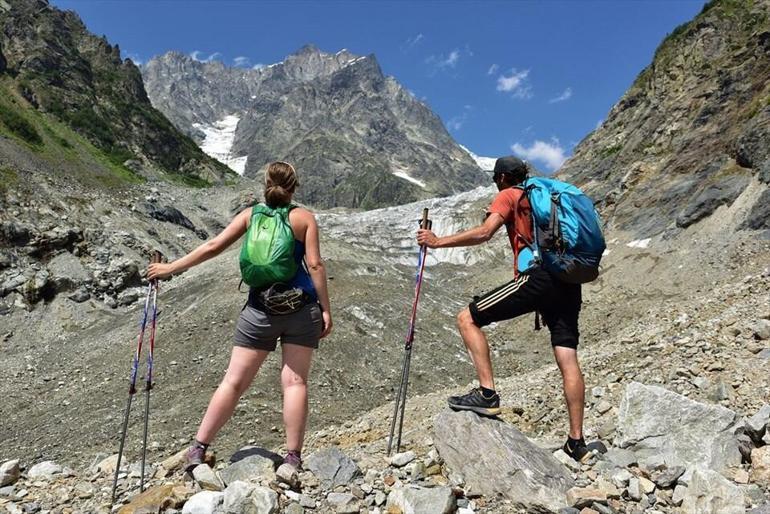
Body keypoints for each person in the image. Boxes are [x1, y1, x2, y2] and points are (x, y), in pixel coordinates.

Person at [147, 161, 333, 473]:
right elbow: (315, 265)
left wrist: (169, 269)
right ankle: (292, 458)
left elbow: (212, 246)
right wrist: (326, 308)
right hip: (301, 309)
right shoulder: (304, 218)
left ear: (265, 184)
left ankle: (198, 447)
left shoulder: (250, 215)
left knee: (233, 381)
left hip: (259, 309)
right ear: (294, 187)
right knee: (295, 382)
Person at [416, 156, 589, 461]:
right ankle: (576, 441)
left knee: (467, 317)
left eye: (496, 179)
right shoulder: (545, 196)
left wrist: (437, 241)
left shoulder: (509, 194)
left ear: (503, 178)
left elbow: (485, 233)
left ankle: (486, 393)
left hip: (538, 277)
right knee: (567, 355)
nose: (496, 183)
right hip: (567, 280)